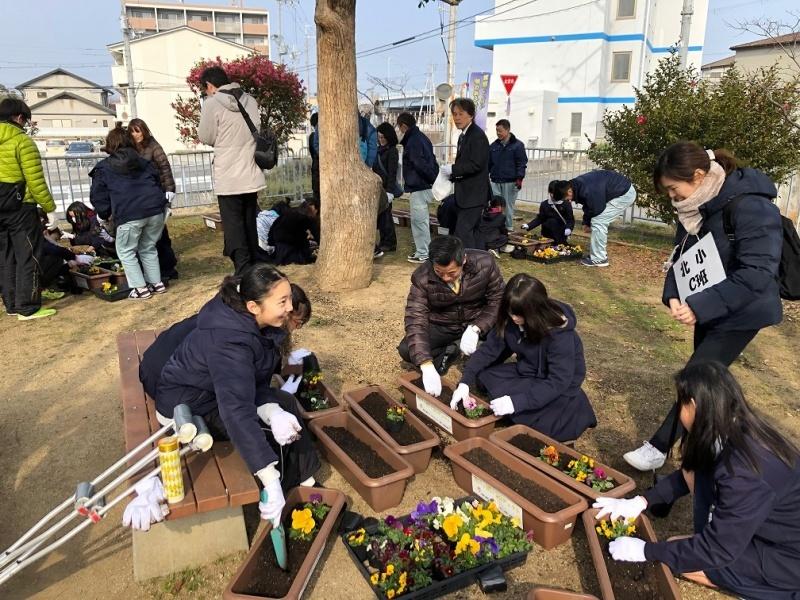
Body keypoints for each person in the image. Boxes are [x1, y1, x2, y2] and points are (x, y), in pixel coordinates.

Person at [624, 143, 784, 471]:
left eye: (673, 188)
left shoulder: (751, 206)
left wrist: (699, 305)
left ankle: (659, 447)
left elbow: (757, 272)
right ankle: (715, 438)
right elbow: (681, 253)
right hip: (710, 305)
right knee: (710, 381)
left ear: (698, 176)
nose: (672, 197)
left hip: (743, 308)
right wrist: (673, 292)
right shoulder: (695, 204)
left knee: (697, 377)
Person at [595, 362, 800, 600]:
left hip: (788, 557)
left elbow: (718, 549)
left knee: (685, 556)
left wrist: (647, 550)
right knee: (684, 543)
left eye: (679, 403)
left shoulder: (743, 472)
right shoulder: (734, 424)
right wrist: (642, 501)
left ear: (693, 405)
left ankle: (777, 590)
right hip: (773, 528)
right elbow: (692, 472)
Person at [151, 265, 320, 529]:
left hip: (213, 393)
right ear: (254, 306)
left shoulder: (257, 324)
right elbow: (236, 410)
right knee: (265, 431)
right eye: (283, 301)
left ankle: (306, 480)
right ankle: (284, 492)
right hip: (189, 406)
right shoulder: (230, 341)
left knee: (283, 406)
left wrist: (273, 410)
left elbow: (253, 381)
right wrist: (269, 479)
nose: (290, 308)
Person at [450, 274, 596, 441]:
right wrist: (465, 382)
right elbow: (490, 350)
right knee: (485, 377)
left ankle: (563, 411)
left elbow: (559, 381)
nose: (513, 317)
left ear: (535, 310)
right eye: (510, 311)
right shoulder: (511, 320)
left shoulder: (560, 334)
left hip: (558, 385)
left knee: (542, 422)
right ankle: (517, 406)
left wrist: (516, 403)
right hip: (529, 372)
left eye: (519, 314)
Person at [398, 235, 504, 396]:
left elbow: (498, 300)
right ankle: (450, 350)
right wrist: (425, 364)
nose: (446, 278)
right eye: (439, 272)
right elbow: (415, 318)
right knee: (407, 349)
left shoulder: (485, 263)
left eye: (452, 273)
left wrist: (477, 327)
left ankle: (484, 359)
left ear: (464, 260)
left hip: (477, 316)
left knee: (506, 334)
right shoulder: (422, 277)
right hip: (444, 323)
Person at [198, 66, 266, 275]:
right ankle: (255, 262)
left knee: (233, 224)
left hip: (228, 175)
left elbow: (206, 137)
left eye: (205, 89)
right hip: (250, 172)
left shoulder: (211, 104)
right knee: (248, 219)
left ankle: (242, 267)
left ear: (210, 85)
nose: (206, 92)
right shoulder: (250, 100)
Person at [89, 125, 167, 300]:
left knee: (125, 251)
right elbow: (157, 182)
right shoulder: (144, 162)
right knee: (148, 247)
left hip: (129, 214)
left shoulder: (104, 168)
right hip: (155, 211)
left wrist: (104, 213)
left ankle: (140, 289)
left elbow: (98, 196)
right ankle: (156, 283)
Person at [0, 98, 58, 319]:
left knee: (5, 257)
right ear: (19, 117)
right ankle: (28, 306)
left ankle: (12, 305)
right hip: (20, 207)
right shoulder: (22, 142)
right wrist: (49, 208)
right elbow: (35, 181)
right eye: (25, 120)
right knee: (28, 255)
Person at [128, 118, 179, 281]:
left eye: (138, 130)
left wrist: (170, 190)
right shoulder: (130, 149)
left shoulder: (154, 146)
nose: (136, 135)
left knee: (160, 234)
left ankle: (168, 268)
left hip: (157, 193)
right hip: (140, 196)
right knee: (145, 235)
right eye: (133, 131)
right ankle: (151, 269)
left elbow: (165, 168)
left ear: (144, 130)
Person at [552, 169, 635, 267]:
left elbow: (596, 209)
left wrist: (588, 222)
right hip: (617, 189)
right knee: (596, 220)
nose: (568, 201)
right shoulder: (577, 185)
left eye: (566, 199)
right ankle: (598, 254)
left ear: (569, 191)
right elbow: (589, 204)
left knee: (599, 221)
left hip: (624, 194)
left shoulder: (588, 189)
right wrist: (586, 223)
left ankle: (600, 259)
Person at [447, 98, 490, 250]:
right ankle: (480, 264)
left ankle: (470, 264)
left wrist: (454, 170)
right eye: (454, 114)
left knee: (463, 232)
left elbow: (476, 164)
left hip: (474, 194)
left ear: (471, 115)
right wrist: (451, 174)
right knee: (475, 232)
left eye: (461, 114)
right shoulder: (464, 135)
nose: (457, 118)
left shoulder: (476, 135)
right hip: (466, 194)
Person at [396, 112, 438, 264]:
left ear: (404, 126)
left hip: (419, 185)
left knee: (419, 221)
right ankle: (424, 250)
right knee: (422, 220)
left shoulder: (413, 141)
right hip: (424, 184)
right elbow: (431, 160)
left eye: (399, 127)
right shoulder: (422, 138)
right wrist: (434, 177)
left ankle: (423, 252)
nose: (399, 131)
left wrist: (430, 177)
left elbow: (418, 163)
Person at [488, 119, 528, 231]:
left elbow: (522, 163)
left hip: (510, 182)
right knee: (495, 205)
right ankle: (496, 227)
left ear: (507, 130)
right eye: (496, 131)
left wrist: (519, 178)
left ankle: (508, 228)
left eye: (500, 131)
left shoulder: (517, 146)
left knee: (508, 206)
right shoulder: (494, 146)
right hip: (495, 180)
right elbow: (488, 163)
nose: (498, 133)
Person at [373, 122, 400, 257]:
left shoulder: (392, 151)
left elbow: (392, 172)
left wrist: (389, 191)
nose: (381, 139)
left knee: (386, 216)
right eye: (379, 137)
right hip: (379, 188)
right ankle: (385, 240)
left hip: (386, 189)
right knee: (382, 216)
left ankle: (390, 242)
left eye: (383, 137)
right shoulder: (379, 150)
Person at [268, 197, 319, 265]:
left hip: (278, 244)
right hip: (289, 246)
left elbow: (274, 226)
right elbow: (316, 233)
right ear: (313, 208)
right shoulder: (306, 217)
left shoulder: (291, 211)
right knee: (303, 238)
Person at [522, 180, 575, 245]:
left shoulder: (566, 204)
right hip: (546, 233)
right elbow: (540, 218)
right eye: (551, 193)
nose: (553, 195)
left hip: (560, 233)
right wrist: (528, 225)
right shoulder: (544, 204)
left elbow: (570, 220)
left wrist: (568, 229)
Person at [309, 112, 320, 202]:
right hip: (319, 167)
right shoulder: (315, 136)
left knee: (316, 194)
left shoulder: (311, 137)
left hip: (315, 167)